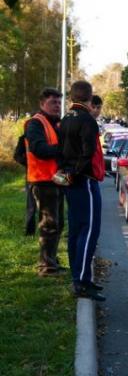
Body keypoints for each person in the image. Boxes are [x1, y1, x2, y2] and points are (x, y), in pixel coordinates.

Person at [59, 80, 106, 301]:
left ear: (72, 96)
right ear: (89, 97)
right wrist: (76, 172)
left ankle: (79, 278)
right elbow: (88, 153)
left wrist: (66, 172)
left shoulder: (66, 118)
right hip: (84, 180)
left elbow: (61, 150)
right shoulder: (87, 120)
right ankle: (81, 281)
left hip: (69, 180)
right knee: (89, 230)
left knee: (76, 230)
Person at [24, 87, 65, 276]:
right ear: (42, 103)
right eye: (53, 102)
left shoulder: (54, 123)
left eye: (59, 102)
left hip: (55, 180)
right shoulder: (35, 123)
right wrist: (63, 149)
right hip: (43, 181)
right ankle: (46, 267)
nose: (57, 106)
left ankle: (51, 261)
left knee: (57, 224)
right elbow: (38, 148)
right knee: (49, 225)